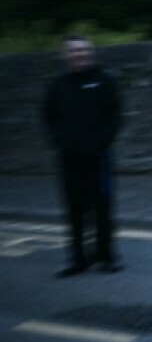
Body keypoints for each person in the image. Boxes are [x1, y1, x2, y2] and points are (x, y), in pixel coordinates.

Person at [41, 34, 124, 276]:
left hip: (99, 158)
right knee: (74, 210)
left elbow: (115, 116)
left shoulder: (104, 81)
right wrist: (59, 142)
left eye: (84, 50)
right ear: (65, 55)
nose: (80, 54)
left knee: (102, 209)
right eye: (74, 50)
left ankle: (106, 256)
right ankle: (77, 259)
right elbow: (48, 117)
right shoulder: (58, 85)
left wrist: (102, 142)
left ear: (90, 53)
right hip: (69, 159)